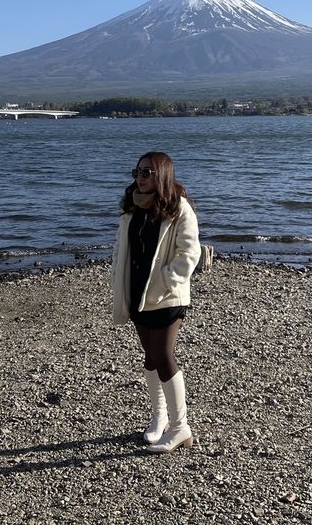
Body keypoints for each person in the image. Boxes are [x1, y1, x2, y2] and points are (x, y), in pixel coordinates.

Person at [111, 151, 201, 453]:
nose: (140, 176)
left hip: (166, 296)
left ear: (162, 174)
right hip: (137, 293)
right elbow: (123, 250)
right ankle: (159, 416)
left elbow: (189, 254)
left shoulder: (179, 208)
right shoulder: (132, 207)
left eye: (147, 172)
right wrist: (119, 280)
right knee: (150, 357)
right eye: (137, 170)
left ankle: (180, 428)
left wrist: (164, 281)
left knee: (163, 355)